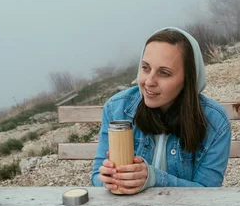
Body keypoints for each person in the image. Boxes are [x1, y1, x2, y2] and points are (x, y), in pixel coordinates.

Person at [91, 27, 231, 193]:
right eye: (145, 68)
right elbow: (96, 178)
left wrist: (154, 179)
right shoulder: (116, 109)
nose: (149, 82)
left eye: (164, 73)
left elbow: (208, 192)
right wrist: (109, 179)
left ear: (189, 79)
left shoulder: (215, 122)